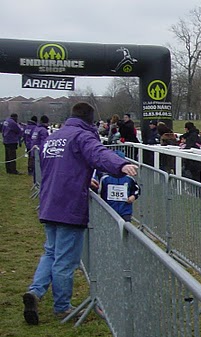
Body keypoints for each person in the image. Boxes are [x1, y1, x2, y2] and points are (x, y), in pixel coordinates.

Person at [22, 102, 138, 325]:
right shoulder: (82, 136)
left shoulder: (54, 136)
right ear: (90, 119)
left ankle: (35, 291)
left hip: (49, 202)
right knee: (65, 260)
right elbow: (98, 154)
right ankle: (62, 307)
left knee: (50, 252)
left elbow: (59, 168)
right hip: (69, 205)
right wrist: (121, 165)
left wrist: (83, 179)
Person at [97, 150, 141, 222]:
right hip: (109, 210)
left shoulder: (129, 178)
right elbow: (99, 192)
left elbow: (137, 189)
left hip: (125, 211)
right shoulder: (105, 178)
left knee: (125, 227)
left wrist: (133, 196)